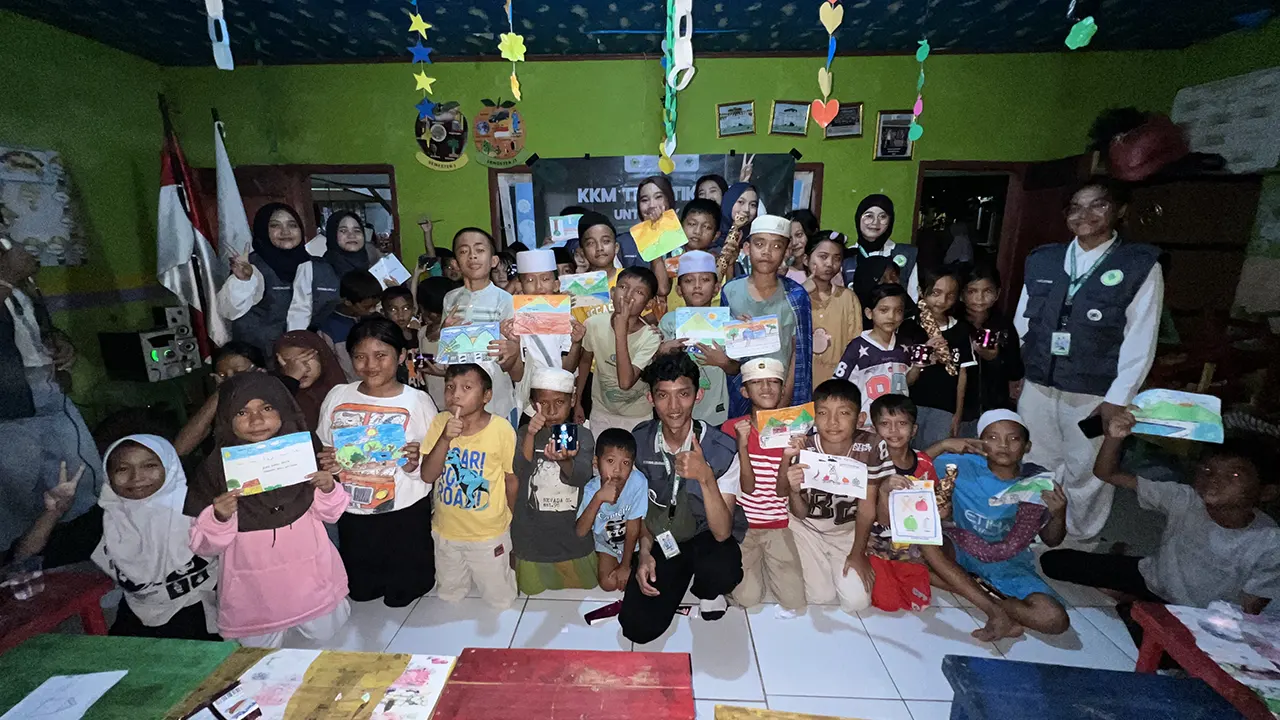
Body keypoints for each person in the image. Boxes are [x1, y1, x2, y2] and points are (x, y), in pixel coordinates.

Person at [1040, 412, 1280, 645]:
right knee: (1054, 562)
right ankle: (1133, 598)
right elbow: (1106, 473)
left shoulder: (1269, 541)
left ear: (1266, 491)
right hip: (1151, 578)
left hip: (1199, 616)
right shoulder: (1185, 498)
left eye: (1234, 475)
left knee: (1150, 640)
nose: (1214, 479)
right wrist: (1114, 437)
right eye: (1207, 471)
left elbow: (1250, 613)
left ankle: (1133, 604)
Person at [1014, 178, 1163, 540]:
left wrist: (1118, 398)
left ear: (1119, 210)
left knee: (1087, 467)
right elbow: (1023, 321)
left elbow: (1141, 336)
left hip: (1095, 392)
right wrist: (1019, 370)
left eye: (1098, 205)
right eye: (1076, 207)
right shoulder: (1045, 259)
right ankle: (1035, 529)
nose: (1085, 214)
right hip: (1038, 386)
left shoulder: (1138, 264)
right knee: (1035, 459)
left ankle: (1080, 534)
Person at [185, 373, 350, 648]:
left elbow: (331, 514)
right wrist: (219, 516)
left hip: (310, 576)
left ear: (283, 410)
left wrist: (327, 487)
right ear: (226, 417)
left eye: (267, 407)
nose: (256, 420)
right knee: (257, 654)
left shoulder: (304, 450)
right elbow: (203, 545)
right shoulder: (214, 470)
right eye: (242, 411)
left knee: (327, 636)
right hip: (254, 586)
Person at [869, 396, 1023, 639]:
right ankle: (997, 608)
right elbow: (880, 517)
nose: (894, 430)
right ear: (874, 428)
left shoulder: (923, 462)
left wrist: (941, 512)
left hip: (914, 539)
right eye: (885, 424)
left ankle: (995, 610)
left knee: (931, 556)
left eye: (901, 423)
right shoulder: (872, 461)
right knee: (926, 570)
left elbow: (934, 499)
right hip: (878, 540)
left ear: (914, 429)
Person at [619, 353, 746, 644]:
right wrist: (645, 553)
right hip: (662, 538)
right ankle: (676, 576)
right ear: (651, 398)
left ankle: (706, 589)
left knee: (721, 570)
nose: (674, 407)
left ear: (698, 395)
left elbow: (722, 530)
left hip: (705, 535)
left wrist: (705, 477)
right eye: (663, 395)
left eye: (683, 394)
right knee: (637, 628)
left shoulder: (722, 447)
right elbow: (639, 509)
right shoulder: (639, 442)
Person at [316, 317, 436, 606]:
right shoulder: (338, 396)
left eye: (380, 355)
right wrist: (329, 463)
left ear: (401, 356)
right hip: (353, 507)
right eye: (360, 356)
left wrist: (414, 462)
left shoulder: (417, 401)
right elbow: (326, 444)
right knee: (361, 589)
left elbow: (434, 457)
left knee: (404, 589)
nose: (370, 365)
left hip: (403, 508)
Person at [0, 241, 103, 567]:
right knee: (19, 502)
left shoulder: (20, 286)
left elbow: (31, 332)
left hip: (48, 397)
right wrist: (6, 277)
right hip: (9, 412)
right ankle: (24, 576)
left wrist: (61, 344)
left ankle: (88, 562)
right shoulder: (8, 278)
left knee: (82, 484)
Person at [931, 409, 1071, 635]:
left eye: (1013, 439)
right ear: (980, 442)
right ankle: (988, 598)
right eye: (993, 438)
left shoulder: (1038, 483)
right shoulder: (961, 465)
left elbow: (1052, 540)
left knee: (1054, 619)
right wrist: (944, 445)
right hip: (960, 546)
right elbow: (914, 467)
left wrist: (1059, 513)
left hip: (1009, 561)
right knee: (911, 554)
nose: (1003, 445)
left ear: (1027, 446)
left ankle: (975, 590)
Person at [781, 379, 893, 614]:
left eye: (843, 413)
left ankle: (831, 563)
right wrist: (793, 489)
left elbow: (866, 508)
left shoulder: (871, 446)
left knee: (856, 603)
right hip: (807, 527)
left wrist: (857, 553)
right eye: (823, 413)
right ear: (814, 416)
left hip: (846, 531)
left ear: (860, 419)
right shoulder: (805, 448)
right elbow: (799, 512)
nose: (832, 422)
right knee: (820, 597)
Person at [93, 435, 219, 640]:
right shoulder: (106, 516)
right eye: (122, 469)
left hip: (203, 609)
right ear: (108, 476)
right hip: (137, 613)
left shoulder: (199, 506)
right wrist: (53, 512)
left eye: (149, 465)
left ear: (169, 467)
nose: (137, 477)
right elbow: (27, 554)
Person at [421, 364, 519, 608]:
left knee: (500, 599)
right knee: (450, 594)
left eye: (466, 388)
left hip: (488, 532)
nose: (456, 394)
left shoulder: (501, 429)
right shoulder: (440, 422)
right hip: (446, 529)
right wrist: (445, 438)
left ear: (486, 396)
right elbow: (427, 475)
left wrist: (511, 518)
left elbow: (511, 479)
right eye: (450, 387)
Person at [723, 358, 805, 616]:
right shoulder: (731, 429)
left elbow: (782, 492)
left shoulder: (795, 430)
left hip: (778, 524)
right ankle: (748, 570)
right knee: (748, 599)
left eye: (773, 382)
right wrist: (742, 445)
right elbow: (746, 488)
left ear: (783, 389)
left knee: (794, 601)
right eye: (757, 383)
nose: (766, 388)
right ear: (745, 391)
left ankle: (764, 568)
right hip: (743, 524)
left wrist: (787, 455)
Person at [511, 367, 597, 594]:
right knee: (532, 587)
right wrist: (530, 434)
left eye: (559, 402)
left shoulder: (583, 435)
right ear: (533, 403)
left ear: (572, 401)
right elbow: (519, 469)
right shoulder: (523, 433)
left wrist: (565, 461)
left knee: (585, 584)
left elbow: (581, 477)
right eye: (544, 403)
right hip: (531, 528)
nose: (551, 410)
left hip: (570, 528)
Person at [217, 203, 341, 358]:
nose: (285, 231)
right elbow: (228, 311)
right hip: (262, 362)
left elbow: (332, 307)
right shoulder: (251, 267)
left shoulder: (320, 267)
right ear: (263, 230)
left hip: (308, 357)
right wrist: (242, 281)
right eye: (275, 225)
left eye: (292, 225)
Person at [721, 214, 813, 417]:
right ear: (748, 247)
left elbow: (799, 355)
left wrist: (783, 404)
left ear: (787, 251)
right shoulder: (730, 291)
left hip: (783, 396)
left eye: (776, 246)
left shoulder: (796, 296)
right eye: (760, 244)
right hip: (743, 392)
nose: (766, 252)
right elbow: (728, 350)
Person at [433, 228, 521, 426]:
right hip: (460, 397)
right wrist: (445, 333)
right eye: (463, 251)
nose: (472, 256)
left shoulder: (505, 299)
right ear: (455, 263)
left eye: (480, 250)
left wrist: (510, 349)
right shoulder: (451, 299)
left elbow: (511, 362)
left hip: (497, 397)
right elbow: (446, 353)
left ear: (493, 261)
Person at [574, 266, 662, 436]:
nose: (628, 296)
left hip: (638, 415)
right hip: (601, 412)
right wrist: (578, 401)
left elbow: (625, 383)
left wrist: (620, 333)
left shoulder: (650, 337)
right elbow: (585, 361)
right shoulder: (593, 324)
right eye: (623, 287)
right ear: (612, 293)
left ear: (649, 303)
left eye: (639, 292)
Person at [657, 251, 736, 427]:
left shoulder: (728, 321)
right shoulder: (669, 321)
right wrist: (661, 352)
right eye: (688, 281)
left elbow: (736, 369)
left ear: (716, 288)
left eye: (705, 280)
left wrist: (723, 362)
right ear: (678, 289)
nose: (697, 286)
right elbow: (657, 369)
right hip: (675, 410)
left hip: (716, 410)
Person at [902, 265, 976, 447]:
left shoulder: (961, 330)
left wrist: (958, 414)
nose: (943, 300)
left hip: (944, 408)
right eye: (936, 293)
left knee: (935, 454)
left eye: (950, 295)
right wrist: (924, 356)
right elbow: (902, 377)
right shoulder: (908, 328)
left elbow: (962, 375)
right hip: (911, 405)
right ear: (921, 291)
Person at [510, 249, 585, 420]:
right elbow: (515, 373)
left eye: (545, 279)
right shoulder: (513, 320)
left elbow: (568, 368)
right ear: (520, 287)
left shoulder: (566, 318)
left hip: (560, 400)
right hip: (529, 402)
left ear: (556, 285)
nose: (538, 287)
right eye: (530, 280)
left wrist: (576, 343)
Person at [576, 429, 649, 591]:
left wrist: (625, 565)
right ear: (596, 462)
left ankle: (630, 563)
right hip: (606, 545)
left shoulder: (638, 482)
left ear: (632, 465)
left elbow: (633, 526)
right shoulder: (591, 490)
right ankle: (603, 558)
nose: (617, 470)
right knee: (608, 585)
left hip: (633, 543)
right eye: (610, 461)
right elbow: (580, 532)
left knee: (641, 580)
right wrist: (598, 498)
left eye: (625, 463)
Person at [832, 283, 911, 427]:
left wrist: (919, 364)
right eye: (884, 310)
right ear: (869, 313)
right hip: (865, 422)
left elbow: (907, 380)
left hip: (897, 422)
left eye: (898, 311)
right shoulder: (857, 346)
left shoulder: (905, 346)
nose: (891, 316)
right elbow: (838, 384)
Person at [961, 263, 1024, 419]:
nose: (980, 298)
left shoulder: (1003, 326)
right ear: (961, 294)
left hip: (993, 402)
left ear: (997, 293)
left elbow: (1015, 370)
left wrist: (994, 359)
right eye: (972, 291)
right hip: (958, 403)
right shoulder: (954, 325)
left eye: (987, 291)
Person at [806, 232, 862, 389]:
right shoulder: (793, 296)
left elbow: (855, 345)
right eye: (823, 257)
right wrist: (801, 293)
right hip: (801, 385)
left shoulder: (848, 298)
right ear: (806, 259)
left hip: (837, 383)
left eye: (837, 258)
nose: (830, 263)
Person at [840, 195, 918, 300]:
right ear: (858, 218)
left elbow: (913, 297)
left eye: (882, 216)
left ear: (890, 221)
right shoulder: (846, 256)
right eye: (869, 216)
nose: (875, 222)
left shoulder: (905, 254)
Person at [316, 269, 383, 381]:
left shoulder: (372, 319)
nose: (372, 310)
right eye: (367, 307)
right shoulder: (329, 330)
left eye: (375, 305)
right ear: (347, 302)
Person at [273, 330, 347, 431]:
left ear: (322, 359)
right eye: (290, 363)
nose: (302, 369)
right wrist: (290, 381)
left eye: (307, 359)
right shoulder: (277, 399)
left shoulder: (344, 393)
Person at [665, 199, 722, 312]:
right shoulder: (668, 265)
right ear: (681, 226)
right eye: (692, 224)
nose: (697, 231)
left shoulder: (721, 265)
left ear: (716, 235)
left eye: (706, 227)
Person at [415, 275, 460, 406]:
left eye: (437, 313)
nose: (430, 315)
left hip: (454, 403)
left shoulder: (457, 333)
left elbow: (466, 372)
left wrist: (440, 373)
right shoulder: (422, 332)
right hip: (431, 400)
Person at [716, 183, 762, 278]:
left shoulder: (758, 241)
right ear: (729, 202)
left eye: (753, 205)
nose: (746, 210)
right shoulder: (713, 237)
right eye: (740, 202)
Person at [322, 211, 375, 291]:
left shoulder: (376, 267)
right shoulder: (322, 271)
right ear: (332, 235)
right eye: (343, 231)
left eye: (357, 230)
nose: (352, 235)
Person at [782, 210, 818, 283]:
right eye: (790, 238)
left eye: (799, 235)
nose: (794, 243)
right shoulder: (782, 271)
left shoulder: (825, 270)